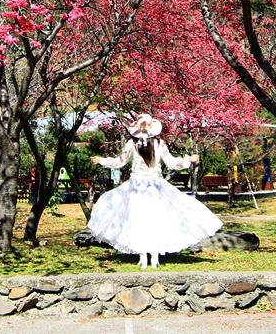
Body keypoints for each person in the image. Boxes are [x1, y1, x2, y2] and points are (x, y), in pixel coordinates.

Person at [88, 113, 222, 270]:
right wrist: (188, 160)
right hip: (154, 187)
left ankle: (144, 256)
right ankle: (153, 257)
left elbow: (119, 162)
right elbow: (172, 163)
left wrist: (102, 160)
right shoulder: (159, 144)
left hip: (138, 187)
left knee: (138, 220)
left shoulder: (133, 143)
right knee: (155, 220)